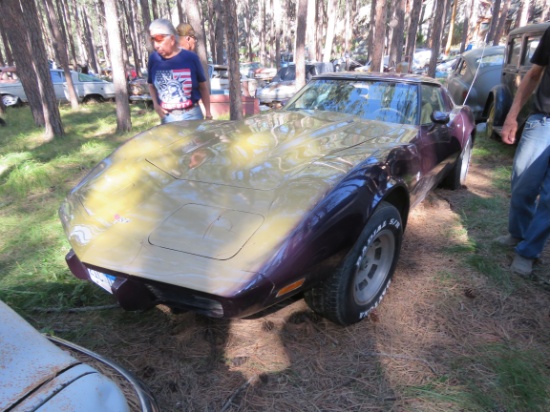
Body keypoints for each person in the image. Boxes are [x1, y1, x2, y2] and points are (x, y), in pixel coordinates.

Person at [496, 25, 550, 277]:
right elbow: (533, 74)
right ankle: (517, 233)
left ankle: (528, 251)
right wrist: (512, 116)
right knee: (522, 184)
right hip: (543, 121)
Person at [147, 19, 212, 123]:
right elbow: (151, 85)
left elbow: (203, 87)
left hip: (192, 115)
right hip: (167, 117)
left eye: (159, 39)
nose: (156, 45)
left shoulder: (191, 58)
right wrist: (156, 105)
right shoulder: (153, 59)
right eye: (153, 40)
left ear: (172, 39)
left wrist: (208, 113)